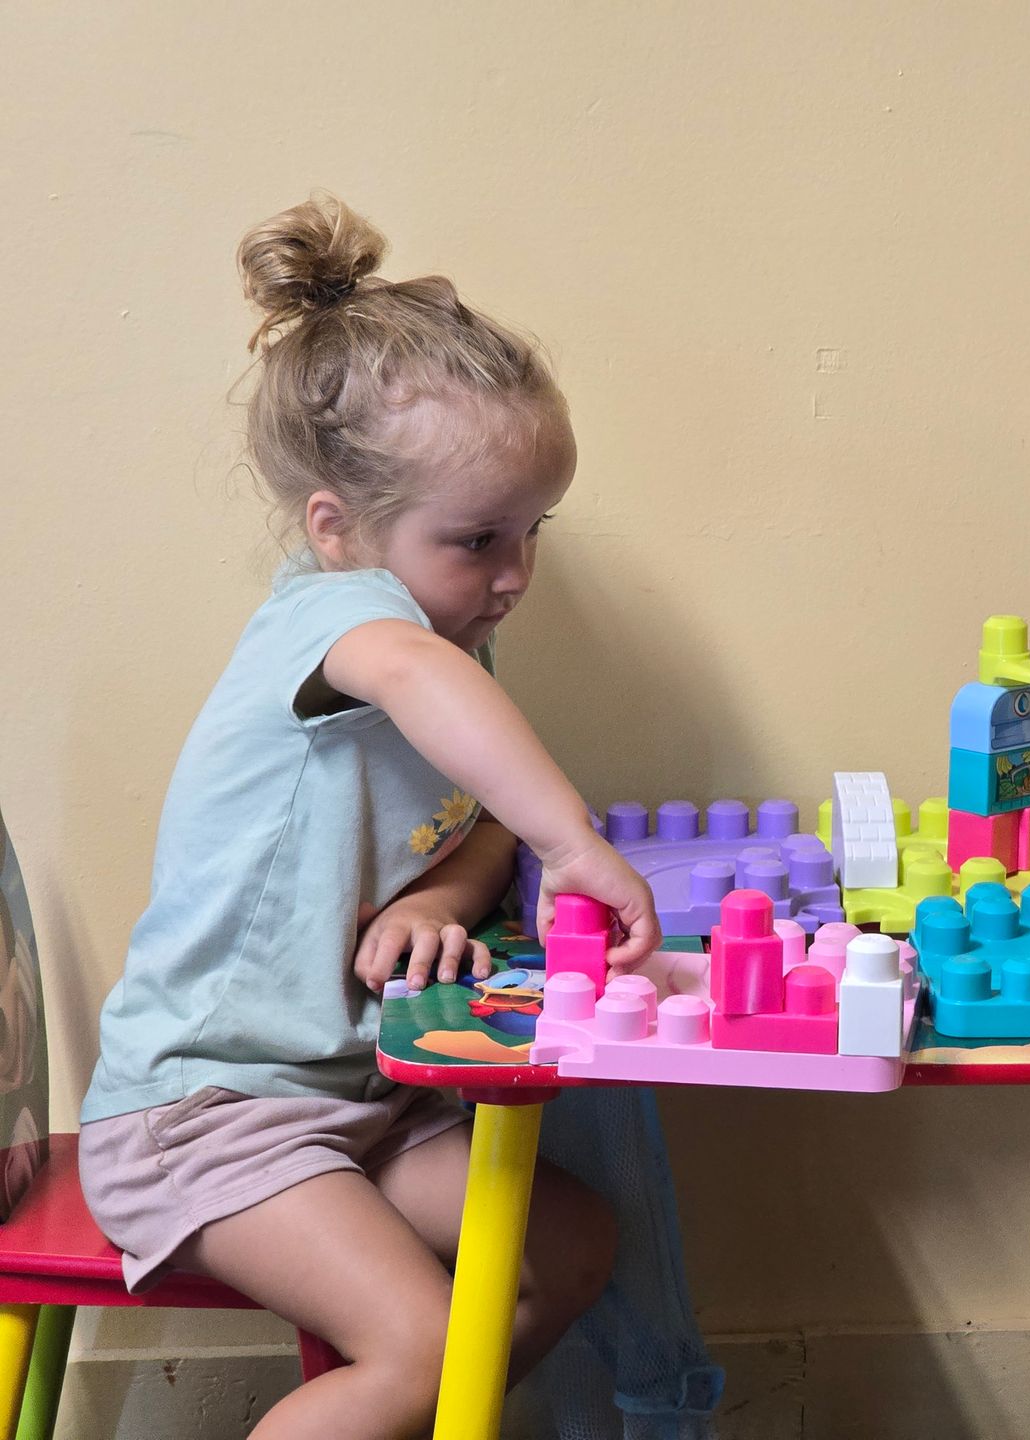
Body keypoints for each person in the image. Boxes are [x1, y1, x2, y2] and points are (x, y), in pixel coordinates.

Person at [79, 195, 661, 1440]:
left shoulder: (449, 643)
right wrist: (573, 842)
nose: (514, 575)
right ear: (337, 531)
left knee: (568, 1244)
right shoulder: (340, 625)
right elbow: (420, 686)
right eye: (477, 539)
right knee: (417, 1346)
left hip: (364, 1093)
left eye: (532, 532)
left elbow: (477, 818)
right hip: (207, 1112)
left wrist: (450, 895)